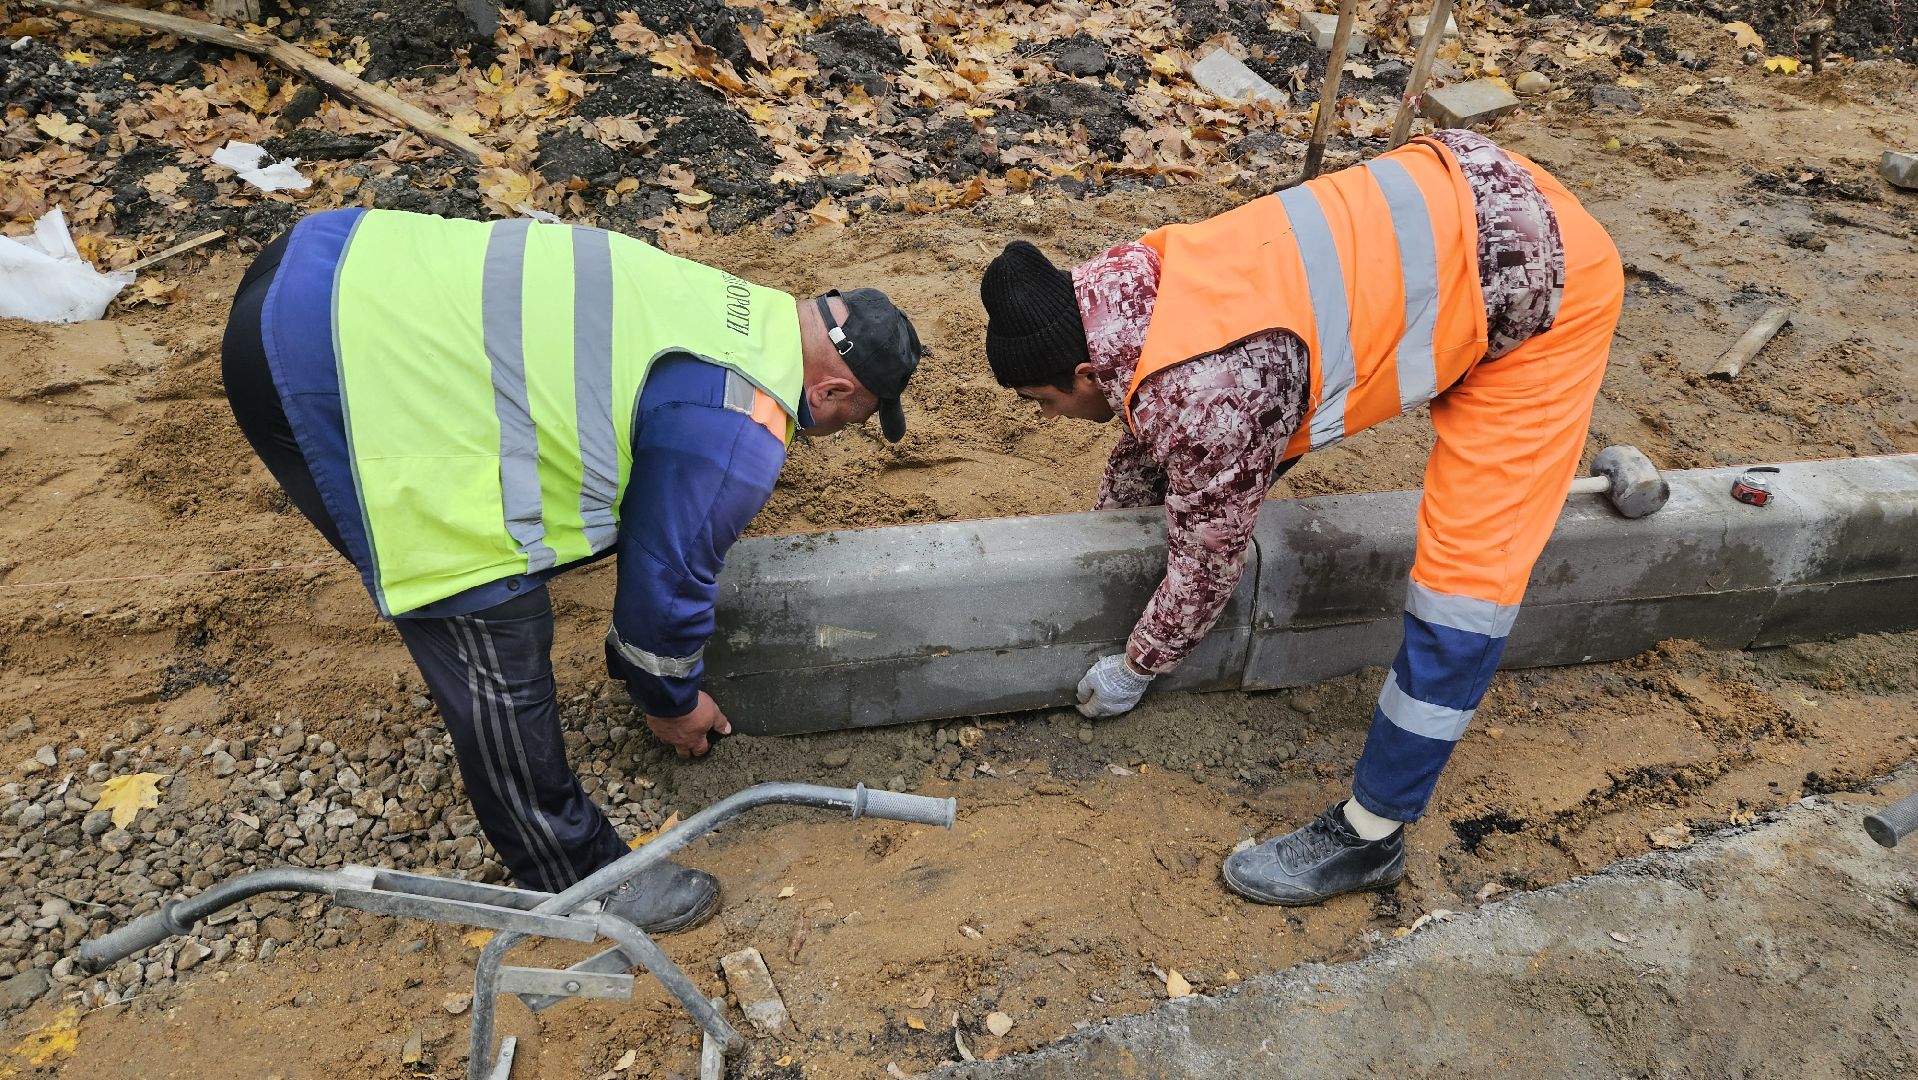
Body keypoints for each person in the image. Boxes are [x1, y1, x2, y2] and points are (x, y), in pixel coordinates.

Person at [222, 207, 923, 932]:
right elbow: (668, 578)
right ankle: (575, 876)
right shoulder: (741, 418)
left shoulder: (733, 305)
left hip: (331, 254)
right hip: (322, 361)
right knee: (486, 603)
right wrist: (670, 700)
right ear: (834, 392)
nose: (845, 433)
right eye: (862, 416)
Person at [978, 130, 1621, 905]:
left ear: (1085, 371)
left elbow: (1209, 558)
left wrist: (1138, 664)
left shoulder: (1210, 393)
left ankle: (1371, 833)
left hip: (1543, 284)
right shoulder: (1120, 290)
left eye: (1045, 402)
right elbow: (1158, 436)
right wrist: (1106, 543)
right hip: (1462, 183)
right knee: (1239, 439)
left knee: (1465, 582)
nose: (1046, 417)